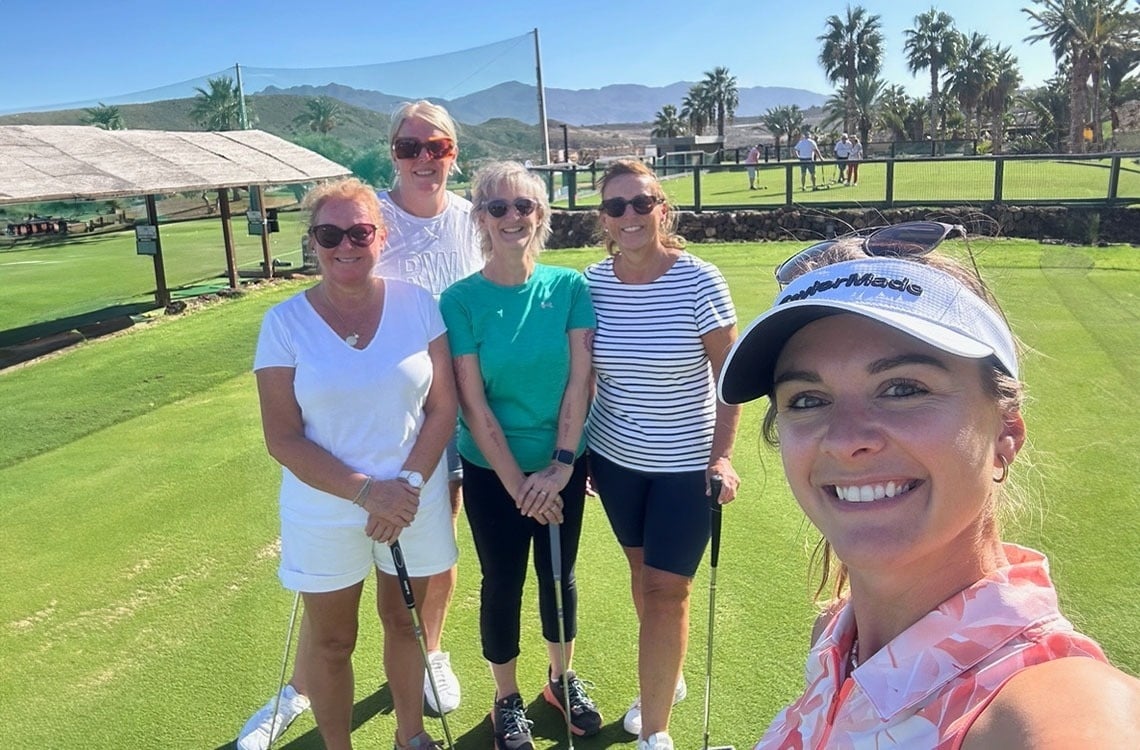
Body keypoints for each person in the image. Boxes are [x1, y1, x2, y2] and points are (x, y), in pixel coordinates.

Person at [717, 222, 1140, 748]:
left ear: (1006, 433)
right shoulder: (836, 635)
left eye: (901, 388)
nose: (846, 440)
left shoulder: (1051, 702)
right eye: (807, 399)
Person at [237, 101, 479, 750]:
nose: (346, 245)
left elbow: (442, 408)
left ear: (380, 237)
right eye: (329, 236)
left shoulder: (419, 300)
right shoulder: (283, 324)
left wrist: (402, 485)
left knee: (404, 626)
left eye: (359, 235)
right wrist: (368, 492)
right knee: (334, 638)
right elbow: (282, 437)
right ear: (312, 242)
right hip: (328, 505)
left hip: (413, 491)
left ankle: (409, 736)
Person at [440, 161, 600, 750]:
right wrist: (520, 487)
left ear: (542, 215)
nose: (513, 217)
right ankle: (506, 696)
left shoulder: (569, 288)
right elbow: (474, 406)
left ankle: (561, 680)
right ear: (480, 218)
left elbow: (579, 383)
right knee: (502, 580)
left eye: (524, 206)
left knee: (559, 577)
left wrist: (559, 467)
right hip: (491, 471)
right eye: (498, 207)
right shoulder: (460, 301)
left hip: (562, 463)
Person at [585, 159, 742, 750]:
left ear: (662, 210)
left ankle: (656, 733)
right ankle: (665, 677)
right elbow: (586, 378)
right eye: (615, 206)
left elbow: (729, 378)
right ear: (603, 219)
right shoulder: (593, 285)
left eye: (640, 203)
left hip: (686, 468)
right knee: (641, 575)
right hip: (616, 461)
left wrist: (721, 458)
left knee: (666, 589)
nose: (629, 216)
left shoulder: (700, 281)